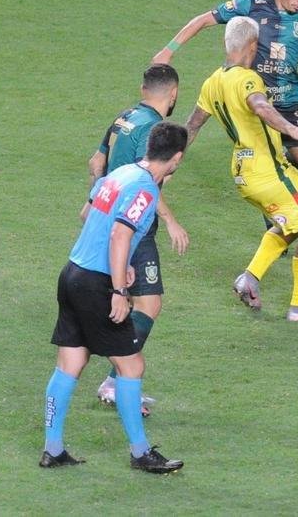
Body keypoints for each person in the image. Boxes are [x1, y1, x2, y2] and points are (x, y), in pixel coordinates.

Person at [40, 121, 189, 473]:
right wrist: (120, 289)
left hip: (72, 274)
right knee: (131, 365)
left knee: (71, 362)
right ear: (177, 158)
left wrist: (122, 266)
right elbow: (120, 234)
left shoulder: (120, 173)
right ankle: (140, 453)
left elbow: (87, 214)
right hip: (97, 284)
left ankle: (53, 449)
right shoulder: (146, 189)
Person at [184, 16, 298, 322]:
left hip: (243, 172)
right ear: (253, 45)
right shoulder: (247, 79)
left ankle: (249, 278)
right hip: (269, 171)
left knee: (293, 224)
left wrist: (167, 163)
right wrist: (293, 129)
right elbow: (261, 106)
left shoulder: (212, 81)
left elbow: (192, 126)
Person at [153, 0, 298, 173]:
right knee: (195, 122)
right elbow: (203, 20)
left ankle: (276, 157)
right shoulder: (252, 4)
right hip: (251, 92)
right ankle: (164, 165)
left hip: (289, 98)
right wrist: (168, 51)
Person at [85, 63, 189, 413]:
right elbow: (145, 180)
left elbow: (96, 162)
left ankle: (117, 378)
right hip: (133, 226)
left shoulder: (125, 117)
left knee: (129, 303)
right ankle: (116, 382)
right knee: (148, 304)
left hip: (108, 218)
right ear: (173, 94)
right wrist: (171, 221)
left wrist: (98, 201)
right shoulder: (151, 129)